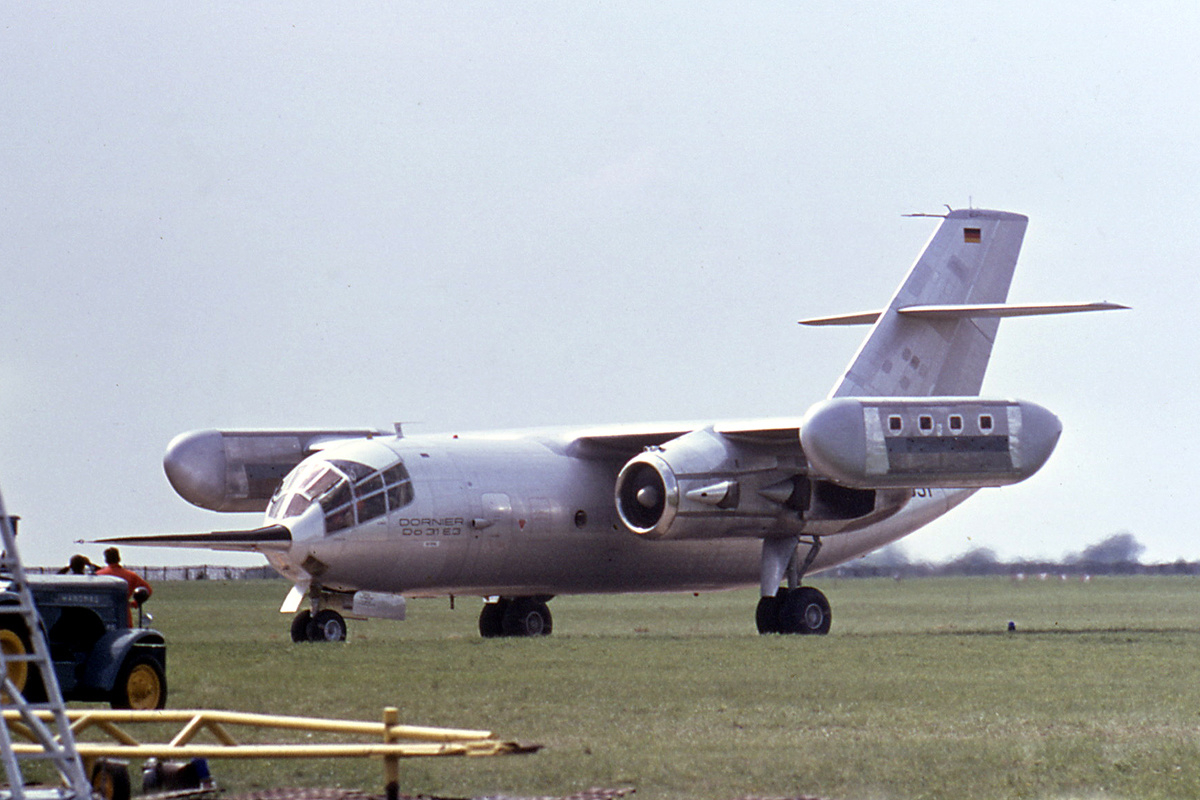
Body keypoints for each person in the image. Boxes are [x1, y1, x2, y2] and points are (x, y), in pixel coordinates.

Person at [96, 547, 152, 624]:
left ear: (106, 560)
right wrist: (134, 603)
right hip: (124, 611)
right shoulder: (131, 575)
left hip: (103, 611)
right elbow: (148, 590)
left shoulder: (98, 575)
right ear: (119, 558)